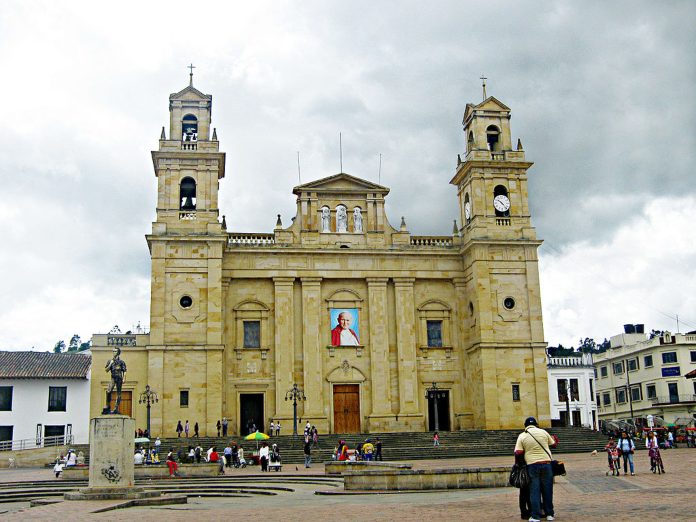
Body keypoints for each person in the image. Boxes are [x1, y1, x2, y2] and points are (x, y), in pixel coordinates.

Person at [514, 417, 557, 522]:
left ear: (525, 425)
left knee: (534, 491)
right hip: (546, 464)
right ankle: (549, 514)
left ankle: (535, 516)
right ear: (536, 425)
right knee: (547, 491)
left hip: (532, 465)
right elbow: (553, 444)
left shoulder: (522, 435)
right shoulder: (543, 432)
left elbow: (518, 452)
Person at [104, 347, 127, 413]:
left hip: (119, 378)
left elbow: (124, 370)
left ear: (118, 353)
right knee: (108, 391)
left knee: (119, 393)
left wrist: (124, 378)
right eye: (113, 351)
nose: (114, 353)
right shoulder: (110, 361)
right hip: (113, 378)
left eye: (115, 351)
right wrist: (110, 364)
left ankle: (116, 408)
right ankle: (107, 406)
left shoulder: (121, 362)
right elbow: (106, 370)